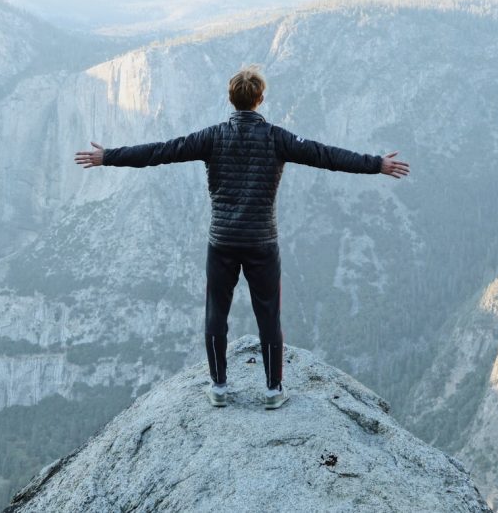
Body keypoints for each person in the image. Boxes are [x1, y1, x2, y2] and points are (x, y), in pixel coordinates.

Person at [74, 65, 409, 409]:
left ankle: (218, 387)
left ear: (231, 100)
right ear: (260, 99)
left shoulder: (212, 137)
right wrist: (376, 164)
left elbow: (160, 151)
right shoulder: (278, 139)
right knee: (269, 315)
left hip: (222, 242)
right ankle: (273, 390)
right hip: (262, 243)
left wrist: (108, 157)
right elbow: (326, 155)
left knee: (216, 312)